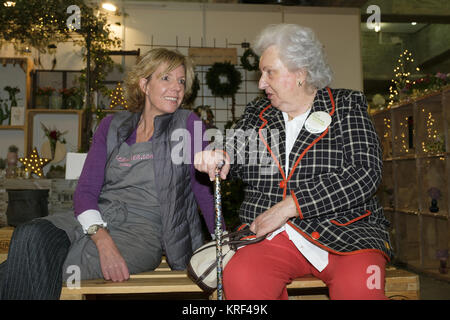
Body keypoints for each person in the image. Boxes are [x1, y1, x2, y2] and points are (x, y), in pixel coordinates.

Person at [194, 24, 393, 300]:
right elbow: (235, 147)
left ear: (300, 73)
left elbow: (365, 173)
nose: (261, 83)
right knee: (241, 278)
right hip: (272, 238)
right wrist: (219, 155)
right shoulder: (259, 111)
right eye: (261, 73)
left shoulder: (347, 105)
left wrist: (290, 206)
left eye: (269, 72)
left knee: (359, 291)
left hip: (346, 233)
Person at [0, 48, 216, 299]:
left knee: (36, 260)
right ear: (144, 84)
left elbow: (205, 190)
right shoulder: (112, 125)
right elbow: (86, 191)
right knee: (29, 234)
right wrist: (103, 241)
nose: (177, 88)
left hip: (141, 235)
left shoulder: (188, 124)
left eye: (181, 81)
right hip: (95, 220)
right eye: (166, 78)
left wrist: (222, 240)